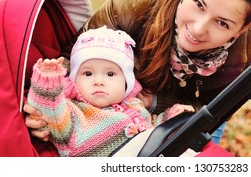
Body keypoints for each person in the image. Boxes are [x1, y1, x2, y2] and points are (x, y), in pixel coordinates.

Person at [24, 0, 251, 145]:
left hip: (185, 110)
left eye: (221, 23)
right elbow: (77, 56)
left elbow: (217, 108)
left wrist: (156, 102)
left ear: (241, 28)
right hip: (122, 99)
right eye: (198, 4)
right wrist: (46, 106)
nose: (198, 29)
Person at [27, 26, 194, 157]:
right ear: (73, 80)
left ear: (126, 82)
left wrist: (171, 118)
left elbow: (152, 132)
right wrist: (47, 82)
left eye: (110, 74)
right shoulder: (73, 114)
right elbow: (48, 111)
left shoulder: (135, 106)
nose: (98, 81)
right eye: (87, 73)